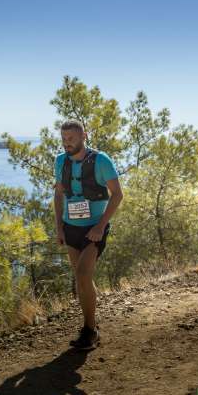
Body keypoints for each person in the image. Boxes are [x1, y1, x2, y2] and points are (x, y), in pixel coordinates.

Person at [54, 119, 123, 350]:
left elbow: (117, 195)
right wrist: (59, 227)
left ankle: (90, 330)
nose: (67, 143)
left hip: (94, 229)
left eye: (71, 138)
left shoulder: (101, 160)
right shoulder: (60, 162)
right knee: (81, 279)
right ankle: (88, 326)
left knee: (83, 274)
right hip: (70, 227)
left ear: (84, 136)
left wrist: (100, 226)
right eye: (64, 139)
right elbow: (59, 195)